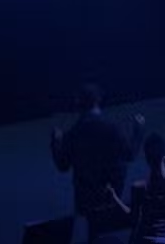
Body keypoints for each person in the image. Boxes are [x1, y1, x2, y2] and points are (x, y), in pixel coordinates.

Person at [52, 84, 140, 239]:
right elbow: (130, 154)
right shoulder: (112, 128)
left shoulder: (73, 133)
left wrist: (56, 143)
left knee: (94, 235)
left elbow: (62, 165)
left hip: (86, 201)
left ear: (79, 104)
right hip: (111, 195)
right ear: (98, 101)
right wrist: (138, 130)